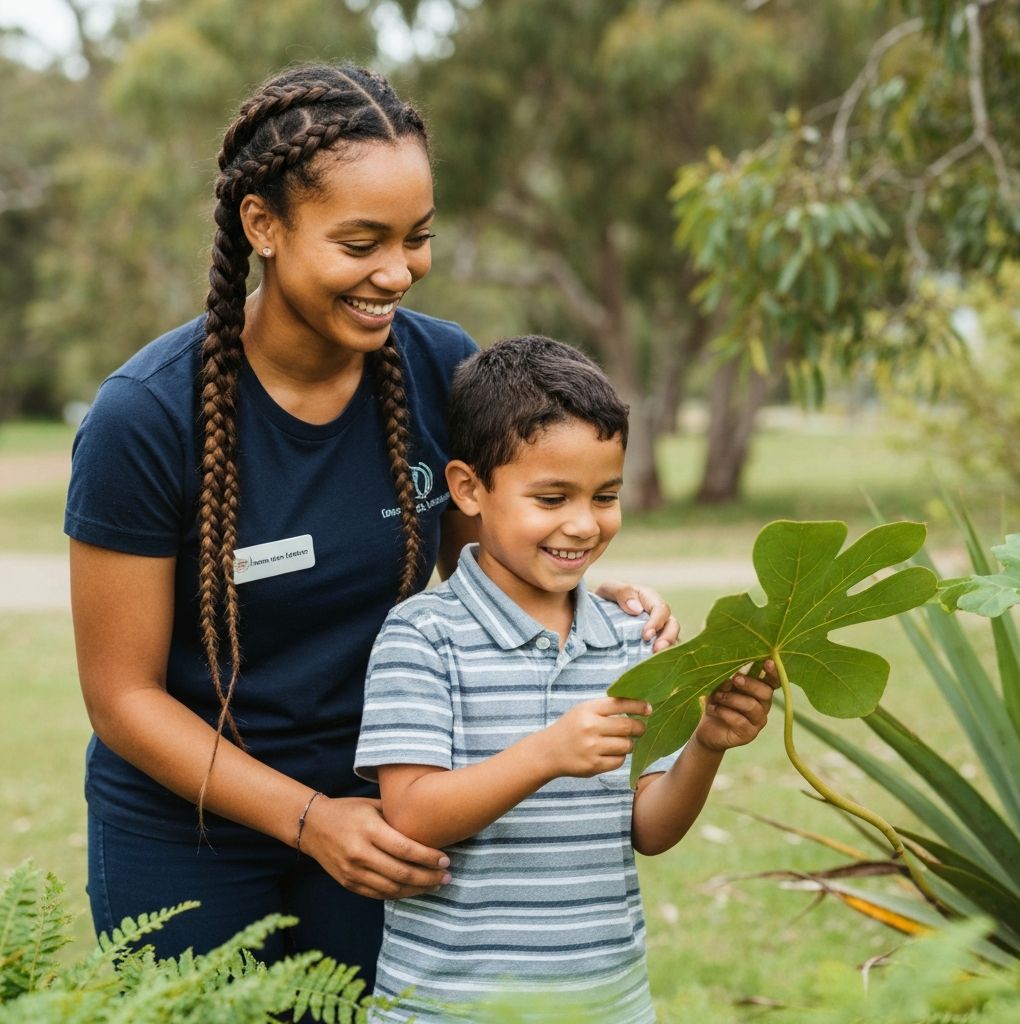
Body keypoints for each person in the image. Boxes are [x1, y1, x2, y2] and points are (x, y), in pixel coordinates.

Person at [64, 62, 678, 985]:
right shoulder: (147, 418)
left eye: (418, 237)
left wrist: (590, 590)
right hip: (185, 827)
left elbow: (495, 570)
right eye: (360, 242)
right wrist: (312, 822)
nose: (397, 272)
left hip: (384, 806)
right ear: (262, 226)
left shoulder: (441, 370)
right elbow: (124, 700)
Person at [354, 336, 778, 1023]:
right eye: (551, 497)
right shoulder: (423, 636)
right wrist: (547, 755)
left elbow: (650, 828)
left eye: (605, 495)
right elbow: (411, 816)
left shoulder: (628, 636)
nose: (584, 524)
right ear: (468, 488)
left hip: (604, 1006)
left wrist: (707, 742)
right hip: (452, 1010)